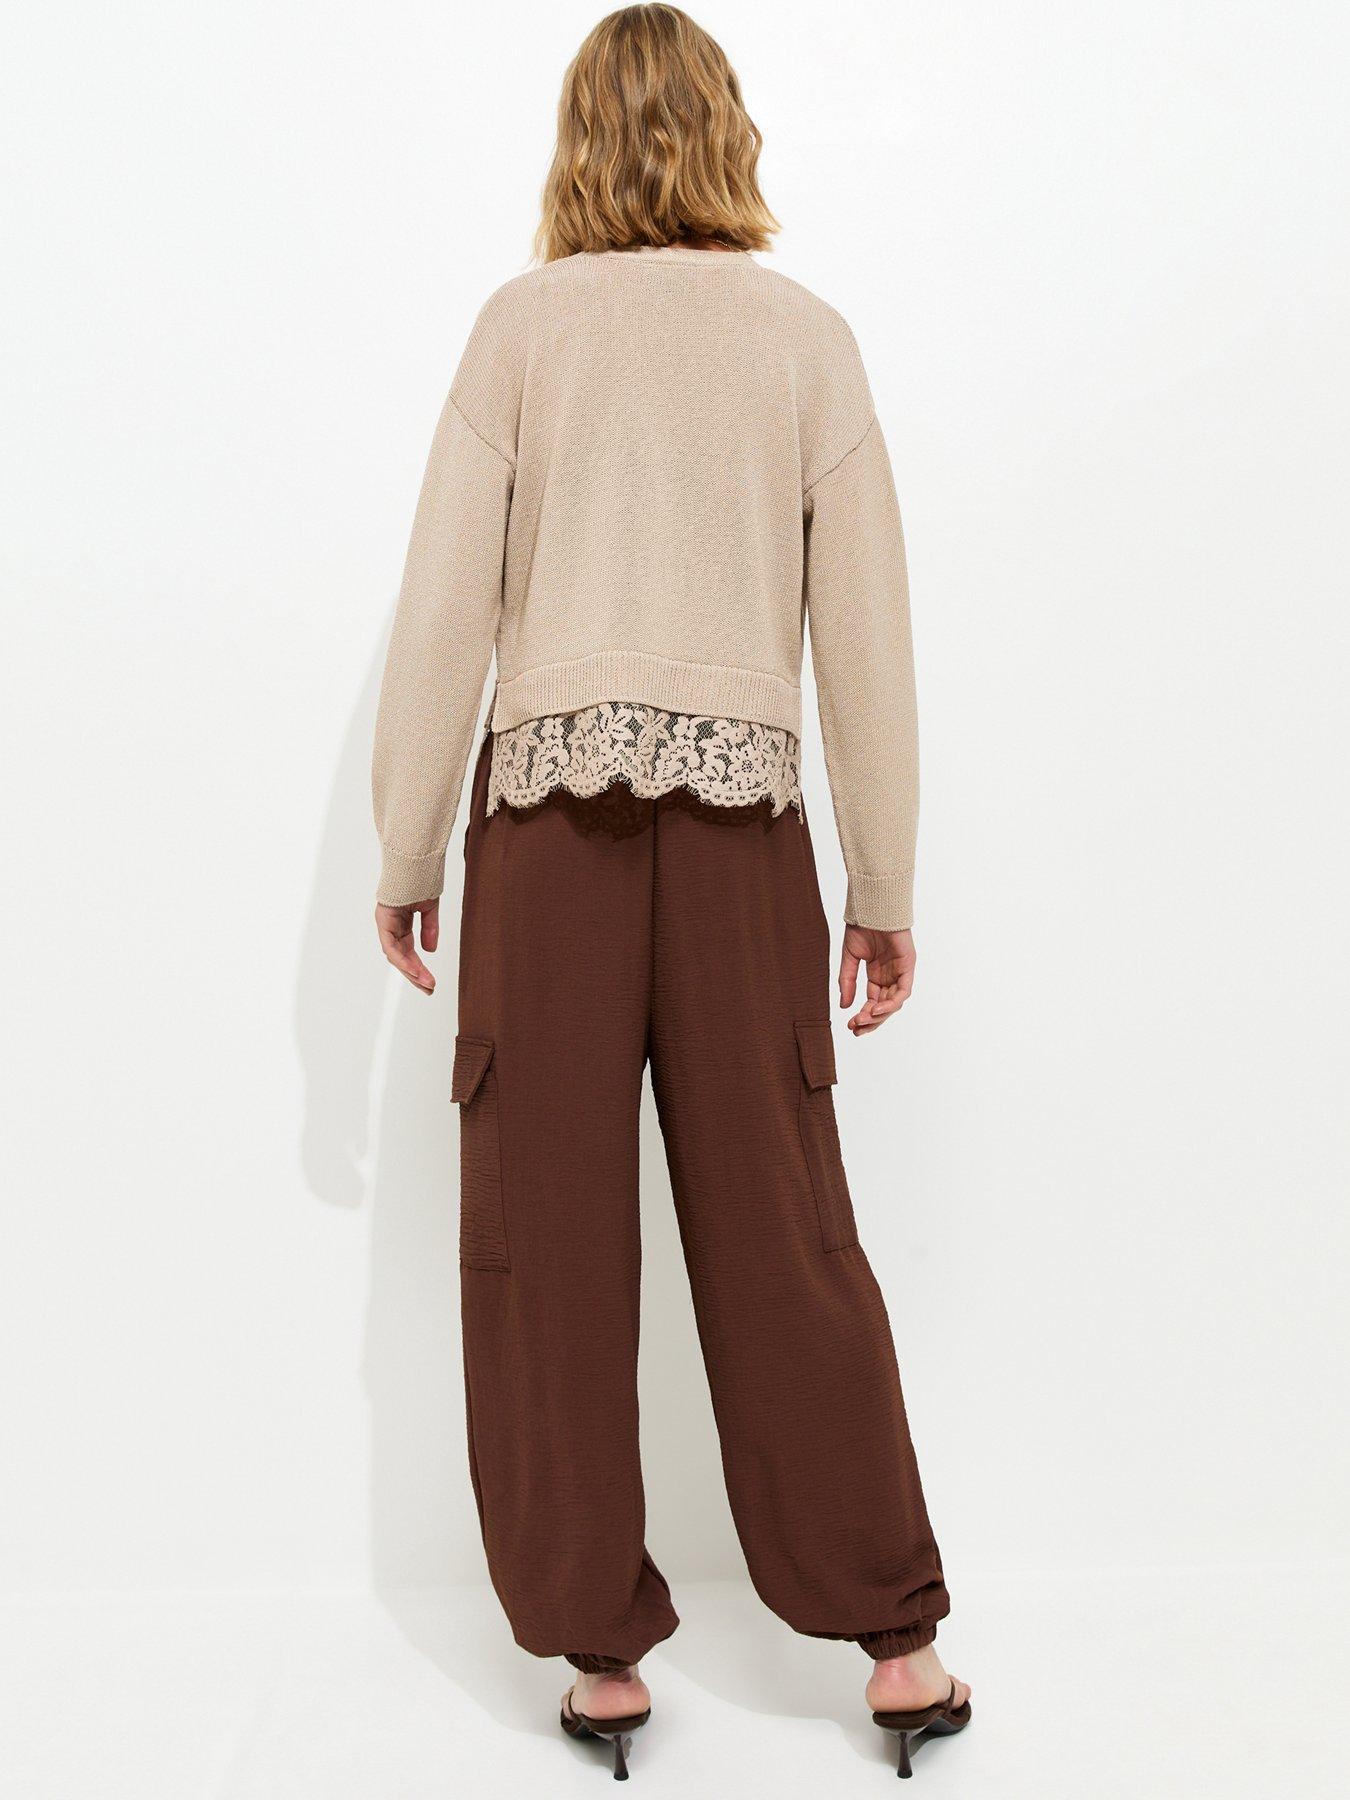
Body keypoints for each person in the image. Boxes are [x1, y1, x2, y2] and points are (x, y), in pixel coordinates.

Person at [371, 4, 970, 1779]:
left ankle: (599, 1655)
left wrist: (406, 846)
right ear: (728, 132)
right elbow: (865, 631)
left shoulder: (522, 331)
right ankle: (898, 1644)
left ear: (577, 140)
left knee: (544, 1240)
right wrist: (880, 881)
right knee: (786, 1232)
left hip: (544, 846)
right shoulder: (804, 341)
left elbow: (443, 606)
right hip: (742, 847)